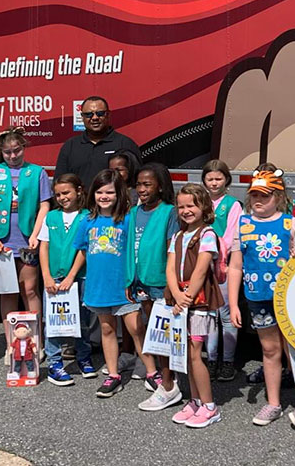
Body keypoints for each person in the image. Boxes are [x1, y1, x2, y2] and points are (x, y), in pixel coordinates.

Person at [227, 166, 295, 428]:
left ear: (278, 196)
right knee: (269, 348)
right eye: (254, 196)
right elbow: (235, 266)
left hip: (289, 299)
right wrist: (232, 304)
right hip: (257, 298)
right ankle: (273, 402)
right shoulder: (243, 224)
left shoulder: (290, 223)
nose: (258, 201)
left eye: (265, 196)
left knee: (294, 348)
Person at [164, 184, 226, 428]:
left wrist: (186, 297)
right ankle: (195, 399)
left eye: (191, 205)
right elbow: (170, 267)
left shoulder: (207, 234)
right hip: (181, 301)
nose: (186, 210)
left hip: (199, 303)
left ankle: (209, 406)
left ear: (204, 207)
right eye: (181, 206)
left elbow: (201, 269)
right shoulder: (178, 236)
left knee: (194, 352)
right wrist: (177, 295)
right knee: (185, 353)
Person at [125, 162, 183, 411]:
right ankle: (166, 379)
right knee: (152, 331)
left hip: (161, 283)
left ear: (160, 187)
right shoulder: (134, 212)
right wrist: (129, 278)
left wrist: (171, 285)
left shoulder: (169, 212)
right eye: (139, 184)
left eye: (147, 184)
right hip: (140, 281)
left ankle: (168, 386)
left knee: (165, 336)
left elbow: (173, 249)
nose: (141, 189)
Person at [73, 169, 134, 398]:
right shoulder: (88, 220)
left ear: (119, 193)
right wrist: (71, 276)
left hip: (124, 285)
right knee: (107, 328)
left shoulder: (128, 218)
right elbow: (82, 251)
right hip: (98, 285)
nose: (104, 196)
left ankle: (151, 371)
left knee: (136, 328)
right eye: (99, 191)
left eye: (109, 191)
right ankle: (113, 374)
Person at [0, 128, 51, 327]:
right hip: (3, 242)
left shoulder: (37, 172)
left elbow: (45, 205)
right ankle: (12, 343)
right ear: (1, 152)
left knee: (29, 289)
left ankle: (35, 339)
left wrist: (36, 234)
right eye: (7, 152)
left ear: (24, 147)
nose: (13, 156)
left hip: (27, 240)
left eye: (17, 150)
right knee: (8, 291)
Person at [38, 173, 98, 386]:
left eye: (66, 193)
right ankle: (55, 362)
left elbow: (84, 249)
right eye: (58, 194)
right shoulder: (51, 217)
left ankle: (83, 356)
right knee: (53, 320)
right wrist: (46, 275)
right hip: (54, 277)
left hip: (78, 276)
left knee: (81, 319)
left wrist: (72, 276)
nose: (62, 197)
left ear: (79, 191)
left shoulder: (87, 217)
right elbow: (43, 246)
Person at [202, 159, 242, 382]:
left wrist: (217, 251)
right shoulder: (201, 202)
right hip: (202, 266)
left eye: (218, 178)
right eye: (210, 178)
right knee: (208, 315)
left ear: (226, 179)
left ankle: (227, 362)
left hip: (223, 266)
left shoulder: (233, 204)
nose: (214, 183)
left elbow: (232, 234)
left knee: (225, 316)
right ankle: (211, 359)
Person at [54, 96, 142, 188]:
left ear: (108, 115)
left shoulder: (125, 144)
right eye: (88, 114)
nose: (95, 118)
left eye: (100, 113)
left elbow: (137, 182)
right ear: (82, 117)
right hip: (81, 203)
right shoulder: (70, 146)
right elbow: (59, 183)